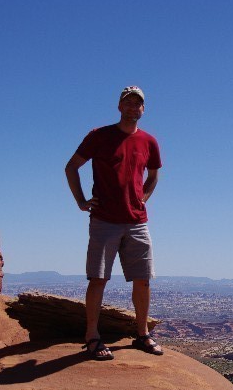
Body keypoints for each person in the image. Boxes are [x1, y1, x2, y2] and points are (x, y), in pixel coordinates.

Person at [65, 85, 163, 359]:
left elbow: (154, 174)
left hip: (137, 221)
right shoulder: (99, 136)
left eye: (138, 104)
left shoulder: (149, 141)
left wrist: (143, 197)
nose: (133, 108)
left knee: (142, 280)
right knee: (98, 279)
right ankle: (93, 337)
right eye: (128, 103)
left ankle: (142, 334)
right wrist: (81, 201)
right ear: (119, 106)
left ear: (143, 109)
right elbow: (71, 166)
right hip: (104, 220)